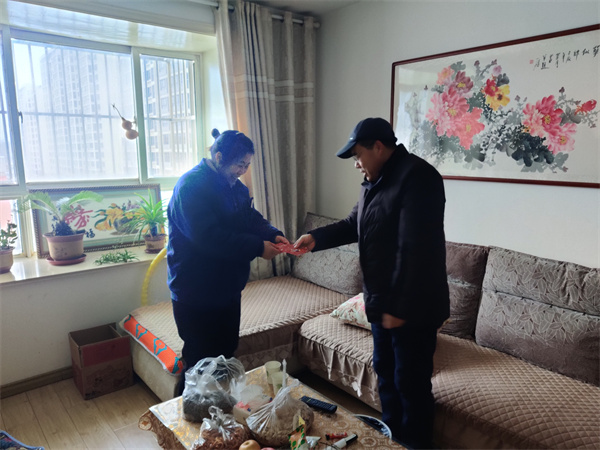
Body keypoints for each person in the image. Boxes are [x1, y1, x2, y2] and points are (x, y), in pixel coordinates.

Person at [294, 118, 449, 449]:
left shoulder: (419, 178)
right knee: (387, 376)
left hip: (413, 308)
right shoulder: (373, 182)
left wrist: (399, 307)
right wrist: (315, 238)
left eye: (357, 155)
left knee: (411, 383)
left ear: (378, 147)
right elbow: (355, 223)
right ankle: (391, 441)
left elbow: (415, 249)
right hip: (381, 303)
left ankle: (416, 444)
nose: (356, 164)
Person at [167, 128, 288, 374]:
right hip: (196, 289)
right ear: (219, 157)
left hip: (228, 288)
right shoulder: (191, 186)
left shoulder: (235, 186)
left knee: (226, 353)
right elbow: (208, 238)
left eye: (247, 165)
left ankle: (223, 400)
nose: (243, 171)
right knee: (200, 361)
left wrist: (271, 233)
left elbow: (249, 217)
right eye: (239, 164)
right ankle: (189, 401)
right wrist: (258, 247)